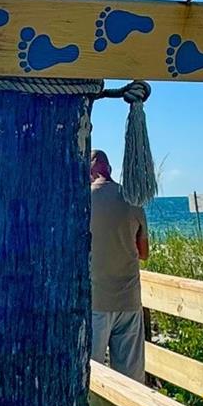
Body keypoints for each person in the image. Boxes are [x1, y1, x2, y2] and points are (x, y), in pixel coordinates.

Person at [89, 148, 149, 381]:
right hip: (129, 299)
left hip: (97, 300)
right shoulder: (133, 200)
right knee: (130, 378)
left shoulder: (85, 200)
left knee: (92, 374)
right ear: (109, 169)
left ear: (90, 170)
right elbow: (144, 253)